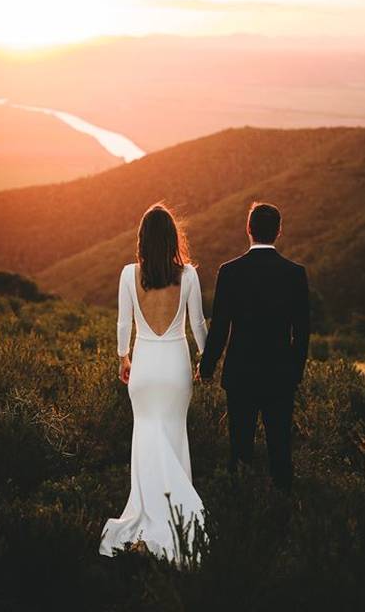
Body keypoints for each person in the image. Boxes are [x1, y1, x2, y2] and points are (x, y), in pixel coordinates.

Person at [99, 203, 208, 561]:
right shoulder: (189, 275)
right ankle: (178, 517)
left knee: (146, 437)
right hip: (175, 366)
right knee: (174, 436)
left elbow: (123, 325)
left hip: (144, 366)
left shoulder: (129, 274)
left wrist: (123, 358)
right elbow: (198, 326)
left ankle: (146, 518)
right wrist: (205, 361)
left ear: (142, 240)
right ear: (173, 239)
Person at [198, 202, 310, 493]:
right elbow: (302, 332)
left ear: (248, 229)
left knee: (240, 450)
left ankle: (239, 510)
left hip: (241, 374)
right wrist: (295, 373)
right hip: (280, 376)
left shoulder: (230, 272)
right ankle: (284, 513)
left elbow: (220, 326)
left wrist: (206, 367)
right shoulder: (295, 274)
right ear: (279, 231)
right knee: (280, 451)